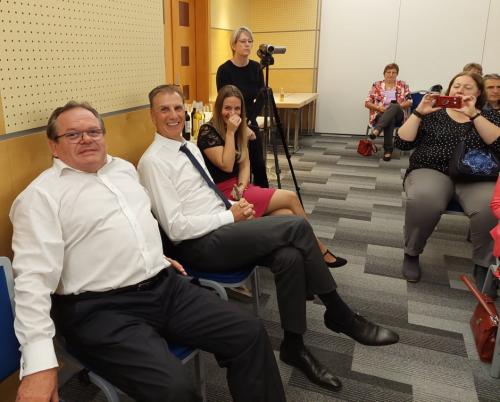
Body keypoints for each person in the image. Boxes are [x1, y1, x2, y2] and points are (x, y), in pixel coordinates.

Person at [9, 101, 287, 402]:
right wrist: (38, 365)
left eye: (93, 131)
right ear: (53, 145)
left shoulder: (123, 170)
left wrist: (154, 256)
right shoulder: (40, 197)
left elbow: (135, 224)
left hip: (163, 286)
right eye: (73, 135)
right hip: (101, 310)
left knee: (249, 332)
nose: (87, 139)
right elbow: (32, 282)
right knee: (175, 389)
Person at [138, 84, 400, 393]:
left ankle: (294, 346)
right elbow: (176, 229)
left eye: (177, 108)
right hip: (200, 245)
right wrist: (230, 217)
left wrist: (234, 206)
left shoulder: (188, 146)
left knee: (289, 257)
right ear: (152, 115)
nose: (173, 115)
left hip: (223, 227)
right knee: (296, 227)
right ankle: (340, 314)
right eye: (164, 109)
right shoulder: (153, 162)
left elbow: (207, 196)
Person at [197, 84, 347, 268]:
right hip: (222, 193)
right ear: (219, 108)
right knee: (291, 197)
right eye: (227, 108)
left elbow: (245, 164)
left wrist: (242, 187)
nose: (232, 113)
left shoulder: (239, 129)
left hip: (240, 189)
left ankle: (303, 259)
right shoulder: (208, 131)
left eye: (237, 108)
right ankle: (318, 250)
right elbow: (227, 165)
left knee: (288, 215)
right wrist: (230, 132)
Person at [394, 72, 500, 286]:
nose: (460, 90)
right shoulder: (433, 113)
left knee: (490, 206)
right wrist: (418, 113)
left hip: (475, 175)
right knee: (424, 199)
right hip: (432, 169)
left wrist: (474, 115)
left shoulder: (489, 116)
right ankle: (412, 253)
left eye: (468, 87)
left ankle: (483, 264)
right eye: (456, 85)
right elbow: (402, 143)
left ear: (478, 93)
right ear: (449, 89)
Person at [216, 26, 269, 188]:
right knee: (237, 165)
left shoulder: (256, 68)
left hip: (250, 120)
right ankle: (239, 195)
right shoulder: (224, 70)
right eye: (243, 41)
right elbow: (224, 103)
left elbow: (261, 97)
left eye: (250, 41)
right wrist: (241, 125)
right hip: (230, 123)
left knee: (258, 164)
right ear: (233, 45)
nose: (247, 44)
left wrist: (248, 121)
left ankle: (264, 195)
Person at [364, 63, 412, 161]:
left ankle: (377, 130)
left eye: (394, 72)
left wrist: (397, 107)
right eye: (388, 72)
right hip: (380, 114)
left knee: (394, 105)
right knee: (390, 119)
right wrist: (379, 108)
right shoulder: (376, 85)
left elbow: (410, 101)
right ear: (384, 73)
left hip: (399, 114)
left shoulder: (403, 85)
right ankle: (388, 151)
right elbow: (367, 103)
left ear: (397, 74)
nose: (391, 74)